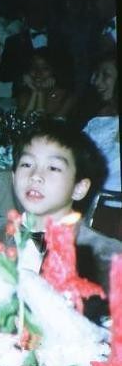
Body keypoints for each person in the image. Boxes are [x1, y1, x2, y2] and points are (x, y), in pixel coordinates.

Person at [0, 119, 122, 294]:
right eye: (27, 164)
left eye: (53, 168)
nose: (35, 175)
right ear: (13, 178)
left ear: (78, 188)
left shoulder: (104, 255)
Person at [82, 53, 120, 239]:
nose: (96, 81)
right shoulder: (100, 116)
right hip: (93, 204)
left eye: (106, 75)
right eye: (96, 75)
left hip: (111, 210)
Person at [14, 47, 76, 118]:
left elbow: (42, 123)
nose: (38, 73)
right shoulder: (25, 95)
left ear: (54, 71)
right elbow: (24, 121)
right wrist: (35, 92)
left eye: (45, 68)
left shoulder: (66, 98)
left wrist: (41, 93)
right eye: (34, 67)